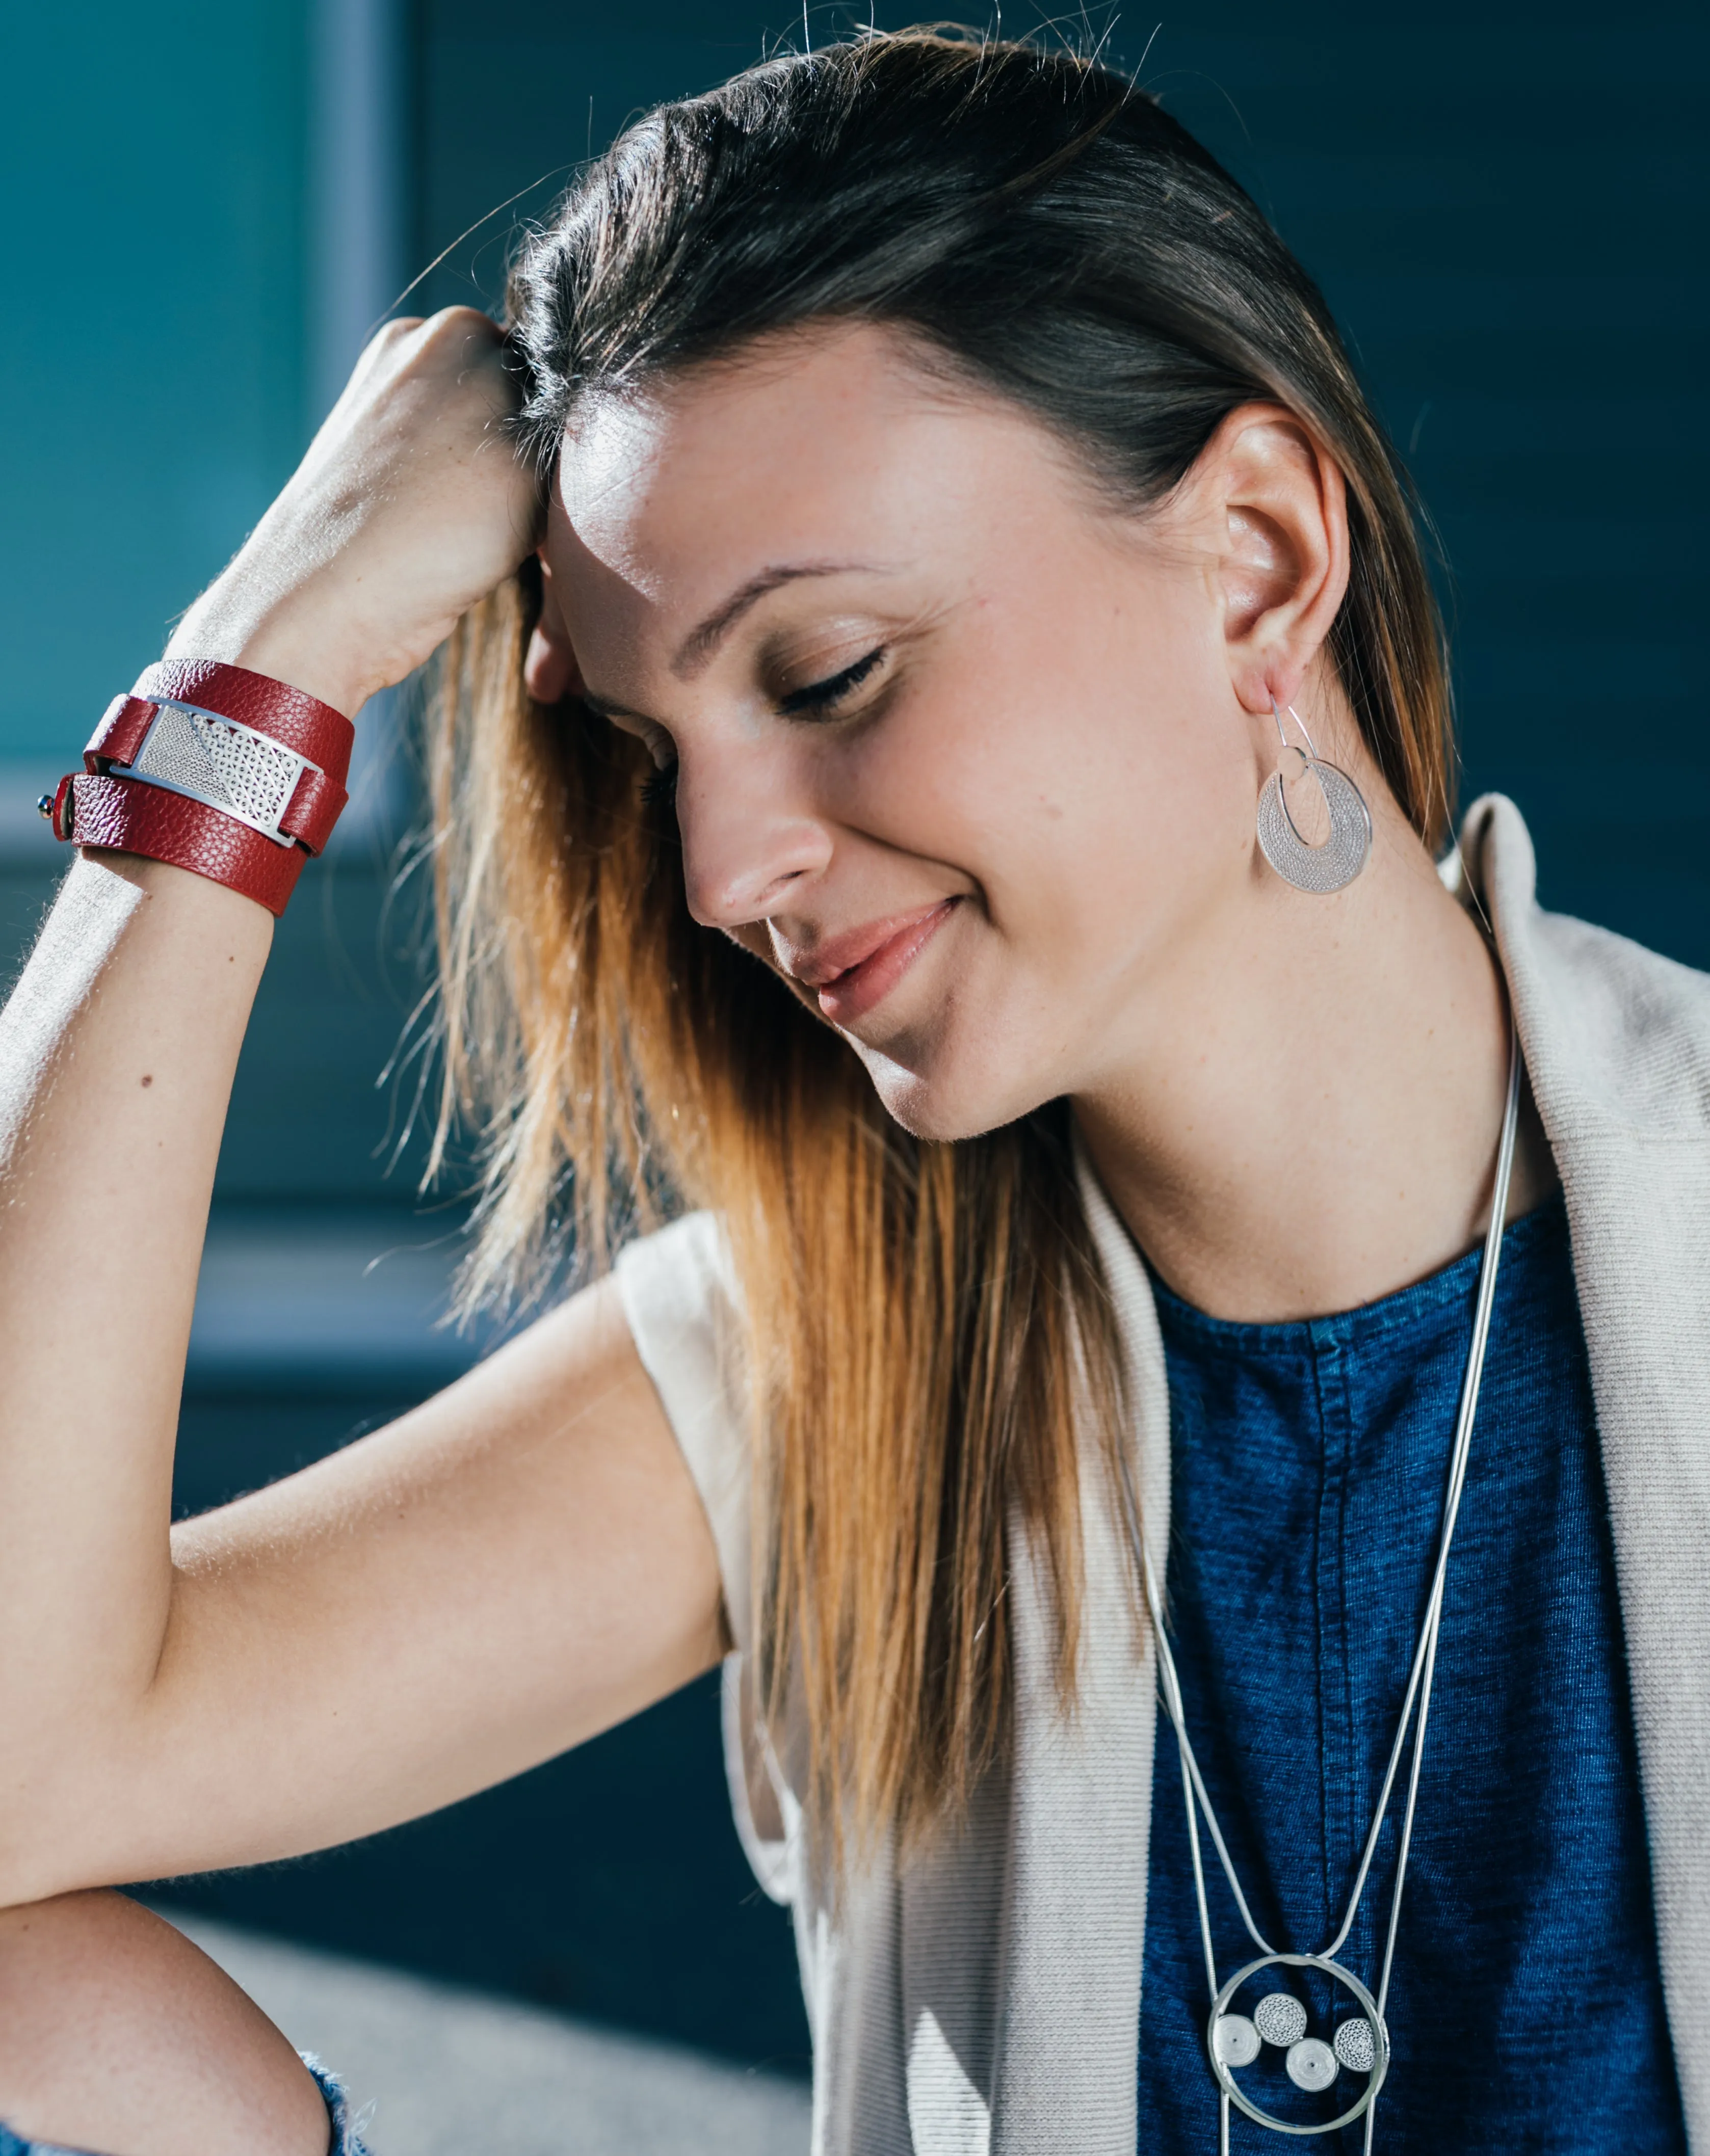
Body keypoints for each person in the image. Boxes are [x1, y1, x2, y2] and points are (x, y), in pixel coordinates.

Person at [0, 28, 1703, 2156]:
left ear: (1258, 563)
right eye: (653, 755)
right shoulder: (828, 1358)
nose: (720, 876)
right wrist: (262, 663)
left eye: (824, 677)